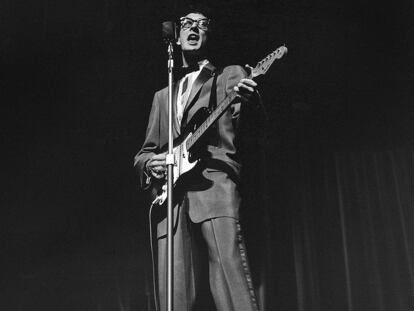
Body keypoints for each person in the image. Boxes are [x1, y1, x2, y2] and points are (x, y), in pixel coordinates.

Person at [134, 6, 263, 311]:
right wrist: (150, 164)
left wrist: (249, 98)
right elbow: (144, 153)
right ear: (177, 37)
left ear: (208, 35)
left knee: (229, 272)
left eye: (202, 25)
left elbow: (249, 123)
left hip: (213, 182)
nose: (194, 29)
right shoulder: (161, 96)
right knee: (172, 290)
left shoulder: (229, 75)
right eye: (187, 24)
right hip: (172, 197)